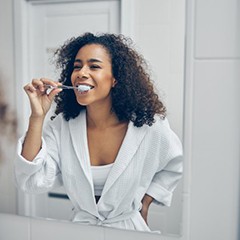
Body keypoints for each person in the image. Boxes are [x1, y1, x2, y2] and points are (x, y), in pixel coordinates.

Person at [15, 32, 183, 232]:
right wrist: (37, 116)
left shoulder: (149, 126)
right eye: (77, 66)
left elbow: (174, 165)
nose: (81, 73)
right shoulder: (62, 126)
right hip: (81, 230)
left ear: (115, 79)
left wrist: (145, 202)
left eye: (94, 66)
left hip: (130, 230)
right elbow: (32, 180)